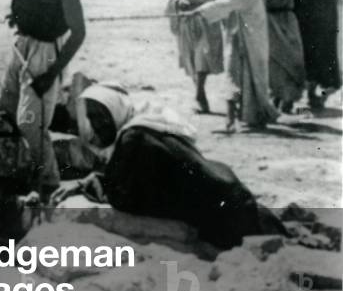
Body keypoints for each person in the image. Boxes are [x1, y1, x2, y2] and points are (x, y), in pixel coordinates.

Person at [50, 83, 285, 249]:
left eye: (101, 116)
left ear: (116, 110)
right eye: (91, 118)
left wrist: (90, 187)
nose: (96, 124)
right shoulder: (149, 124)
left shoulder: (133, 139)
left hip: (226, 222)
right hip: (237, 200)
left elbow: (125, 198)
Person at [0, 0, 86, 199]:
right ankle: (27, 179)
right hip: (21, 46)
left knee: (31, 124)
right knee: (6, 105)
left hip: (46, 53)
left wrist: (51, 74)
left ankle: (48, 187)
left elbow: (79, 32)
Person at [189, 0, 277, 130]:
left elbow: (224, 4)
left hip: (249, 46)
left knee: (240, 79)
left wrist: (197, 12)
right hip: (244, 44)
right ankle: (238, 119)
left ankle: (240, 119)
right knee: (238, 79)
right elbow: (226, 5)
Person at [166, 0, 228, 113]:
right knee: (191, 58)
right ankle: (198, 91)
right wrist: (178, 1)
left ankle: (200, 92)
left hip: (206, 22)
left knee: (203, 58)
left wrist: (204, 7)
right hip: (187, 21)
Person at [289, 0, 342, 110]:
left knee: (321, 59)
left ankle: (316, 96)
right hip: (314, 18)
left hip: (317, 18)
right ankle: (313, 96)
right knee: (315, 58)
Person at [253, 0, 305, 113]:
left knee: (274, 62)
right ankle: (286, 99)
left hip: (271, 21)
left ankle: (277, 99)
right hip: (289, 19)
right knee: (290, 60)